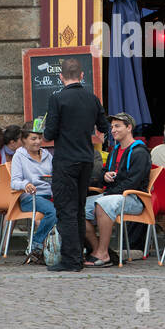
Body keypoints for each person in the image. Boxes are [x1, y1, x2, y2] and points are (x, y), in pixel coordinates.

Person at [42, 57, 111, 272]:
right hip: (86, 160)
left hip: (66, 161)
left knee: (66, 210)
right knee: (79, 209)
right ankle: (78, 256)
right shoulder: (92, 98)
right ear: (82, 76)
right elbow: (103, 126)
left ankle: (71, 260)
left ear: (60, 76)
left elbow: (49, 133)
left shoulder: (57, 99)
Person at [83, 112, 151, 267]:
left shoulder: (139, 152)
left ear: (129, 128)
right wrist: (105, 176)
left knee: (103, 203)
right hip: (113, 195)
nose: (113, 130)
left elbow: (133, 183)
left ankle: (103, 253)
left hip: (135, 199)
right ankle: (98, 250)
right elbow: (102, 174)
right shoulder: (114, 150)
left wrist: (107, 194)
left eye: (117, 126)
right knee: (76, 209)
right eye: (112, 126)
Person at [9, 126, 57, 265]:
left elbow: (55, 176)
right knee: (53, 212)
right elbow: (14, 182)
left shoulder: (48, 155)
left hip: (49, 194)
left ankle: (54, 249)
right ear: (24, 140)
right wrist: (26, 185)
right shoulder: (19, 155)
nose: (38, 142)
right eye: (33, 138)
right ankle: (35, 245)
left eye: (40, 138)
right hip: (30, 197)